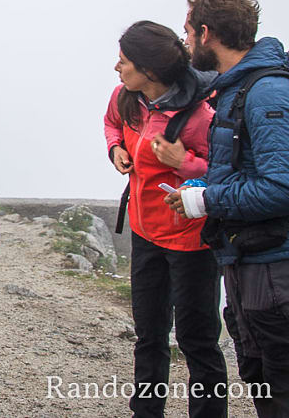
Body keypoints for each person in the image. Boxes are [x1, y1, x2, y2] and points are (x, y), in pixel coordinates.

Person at [166, 0, 289, 417]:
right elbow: (248, 172)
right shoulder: (236, 89)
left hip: (274, 271)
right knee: (263, 383)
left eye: (187, 32)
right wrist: (203, 190)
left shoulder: (265, 92)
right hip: (248, 265)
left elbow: (282, 187)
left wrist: (207, 200)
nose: (185, 42)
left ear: (206, 33)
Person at [104, 20, 226, 417]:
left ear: (150, 71)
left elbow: (225, 172)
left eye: (124, 61)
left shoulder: (200, 116)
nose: (116, 67)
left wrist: (184, 162)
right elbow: (111, 124)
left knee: (197, 341)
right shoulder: (125, 97)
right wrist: (116, 148)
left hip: (191, 241)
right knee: (149, 336)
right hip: (144, 233)